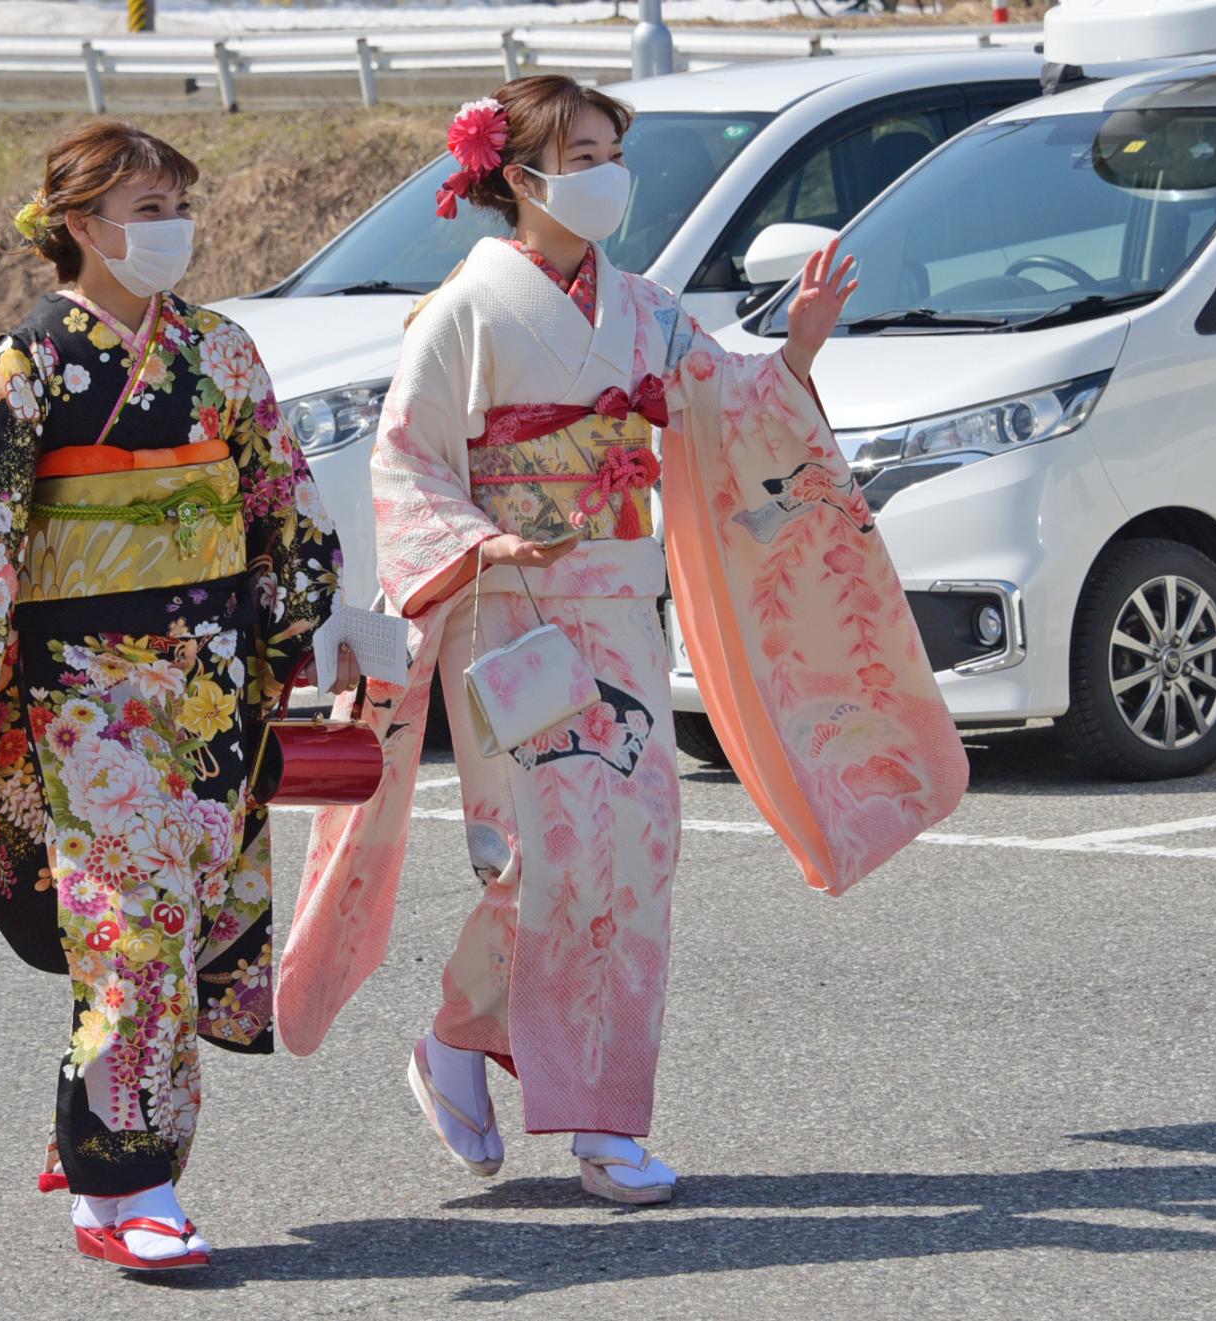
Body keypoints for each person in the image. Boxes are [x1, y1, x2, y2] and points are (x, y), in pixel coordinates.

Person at [274, 76, 967, 1205]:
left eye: (609, 151)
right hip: (509, 613)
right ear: (518, 175)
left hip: (613, 604)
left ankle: (535, 1080)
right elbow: (407, 460)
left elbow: (723, 407)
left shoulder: (641, 308)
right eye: (582, 153)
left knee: (634, 856)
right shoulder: (464, 310)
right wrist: (480, 542)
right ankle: (524, 1082)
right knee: (538, 856)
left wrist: (790, 357)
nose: (606, 174)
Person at [0, 120, 346, 1270]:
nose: (170, 230)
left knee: (178, 924)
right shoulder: (23, 365)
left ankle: (105, 1170)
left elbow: (277, 497)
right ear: (77, 225)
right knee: (132, 928)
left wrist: (299, 626)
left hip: (206, 680)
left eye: (175, 205)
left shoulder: (220, 349)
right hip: (82, 687)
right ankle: (132, 1182)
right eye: (145, 210)